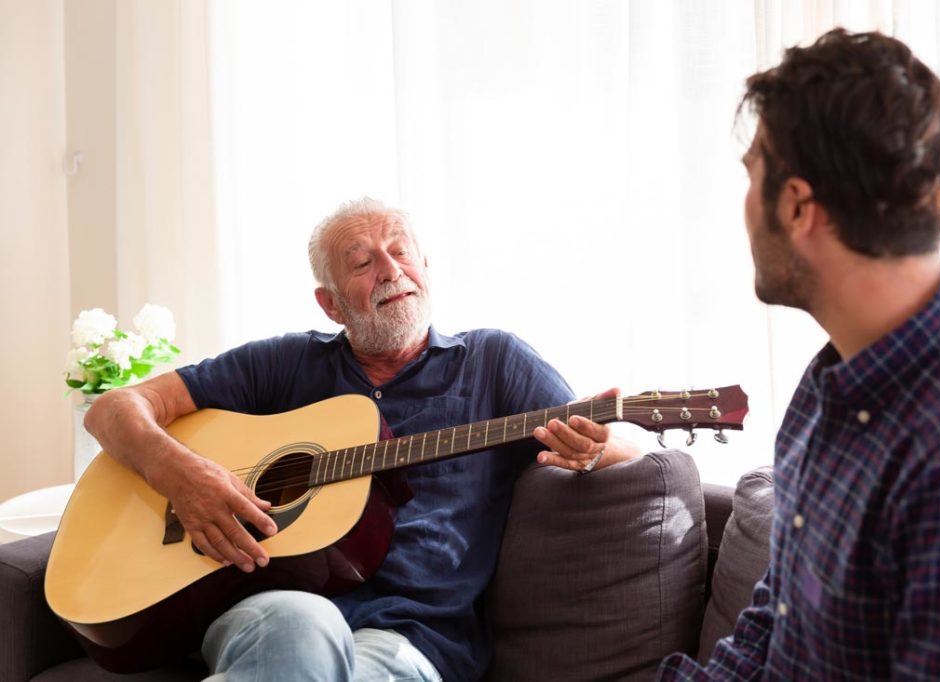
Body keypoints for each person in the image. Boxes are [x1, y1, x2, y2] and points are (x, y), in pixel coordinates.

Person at [85, 196, 641, 681]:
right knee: (304, 624)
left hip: (409, 641)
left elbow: (621, 446)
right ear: (330, 304)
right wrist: (181, 474)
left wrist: (598, 450)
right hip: (275, 611)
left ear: (425, 268)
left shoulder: (493, 362)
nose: (390, 270)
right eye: (362, 262)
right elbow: (114, 409)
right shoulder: (285, 364)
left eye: (401, 252)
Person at [657, 28, 940, 680]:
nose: (744, 207)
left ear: (798, 206)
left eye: (752, 175)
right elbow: (775, 619)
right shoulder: (832, 379)